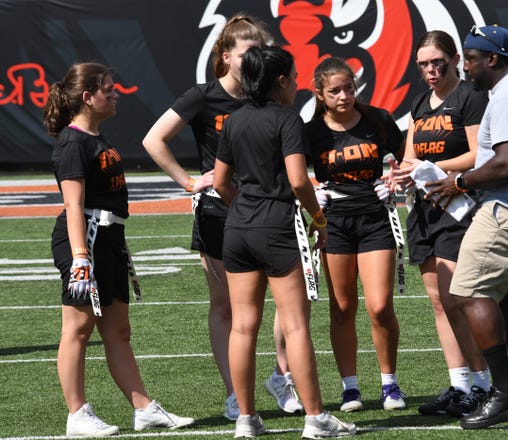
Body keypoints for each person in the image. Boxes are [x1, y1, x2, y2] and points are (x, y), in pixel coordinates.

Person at [141, 14, 302, 419]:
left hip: (271, 208)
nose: (256, 59)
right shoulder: (204, 96)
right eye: (249, 52)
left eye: (261, 52)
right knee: (227, 307)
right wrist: (189, 181)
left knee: (289, 305)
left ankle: (280, 374)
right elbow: (153, 139)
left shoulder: (266, 96)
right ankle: (235, 394)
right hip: (220, 211)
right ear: (226, 56)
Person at [424, 25, 508, 429]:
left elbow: (507, 163)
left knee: (468, 292)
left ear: (492, 59)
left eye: (470, 58)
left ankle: (505, 394)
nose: (464, 66)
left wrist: (459, 182)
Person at [213, 45, 356, 438]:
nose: (297, 83)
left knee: (243, 327)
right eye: (293, 77)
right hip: (277, 227)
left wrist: (245, 208)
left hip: (238, 227)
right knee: (295, 326)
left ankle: (245, 419)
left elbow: (221, 182)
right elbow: (297, 180)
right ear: (279, 81)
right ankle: (316, 418)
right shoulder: (287, 118)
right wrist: (319, 217)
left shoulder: (234, 120)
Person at [45, 62, 194, 437]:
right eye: (108, 89)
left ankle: (144, 409)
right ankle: (76, 414)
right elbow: (73, 206)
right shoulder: (72, 142)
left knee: (118, 330)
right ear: (88, 97)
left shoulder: (97, 138)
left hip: (109, 239)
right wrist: (81, 257)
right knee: (78, 328)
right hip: (85, 240)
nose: (115, 94)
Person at [389, 30, 492, 418]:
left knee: (456, 300)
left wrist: (433, 168)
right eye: (424, 65)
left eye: (438, 62)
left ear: (454, 59)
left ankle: (483, 385)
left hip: (458, 207)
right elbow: (411, 157)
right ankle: (460, 384)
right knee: (439, 304)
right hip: (426, 210)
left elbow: (479, 154)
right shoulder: (420, 102)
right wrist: (398, 175)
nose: (431, 70)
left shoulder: (469, 97)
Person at [305, 57, 406, 412]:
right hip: (335, 224)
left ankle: (390, 384)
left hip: (375, 219)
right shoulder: (311, 131)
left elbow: (408, 158)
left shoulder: (377, 119)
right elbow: (286, 172)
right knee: (343, 308)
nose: (344, 96)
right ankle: (350, 388)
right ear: (319, 93)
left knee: (380, 306)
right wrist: (310, 193)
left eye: (349, 88)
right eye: (335, 90)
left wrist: (394, 182)